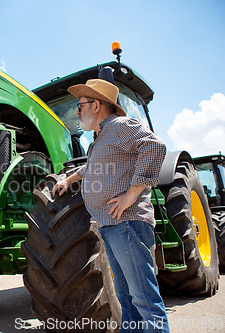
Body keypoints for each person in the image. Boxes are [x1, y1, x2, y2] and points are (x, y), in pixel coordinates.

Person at [52, 79, 170, 332]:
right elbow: (90, 167)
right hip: (112, 226)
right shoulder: (102, 138)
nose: (77, 110)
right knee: (127, 300)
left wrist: (131, 194)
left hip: (127, 223)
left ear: (96, 105)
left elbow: (155, 146)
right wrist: (69, 179)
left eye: (80, 104)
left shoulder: (118, 125)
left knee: (144, 300)